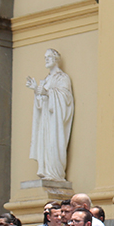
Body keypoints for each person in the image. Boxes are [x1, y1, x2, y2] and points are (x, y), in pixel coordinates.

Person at [26, 48, 74, 180]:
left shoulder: (62, 78)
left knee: (54, 144)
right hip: (45, 121)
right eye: (45, 57)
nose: (46, 59)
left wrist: (47, 92)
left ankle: (55, 173)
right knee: (45, 145)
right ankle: (46, 170)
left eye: (49, 57)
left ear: (56, 59)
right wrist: (37, 90)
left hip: (55, 122)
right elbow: (41, 104)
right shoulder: (46, 79)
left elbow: (66, 98)